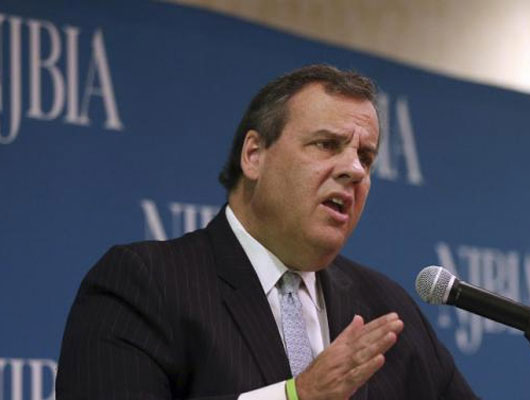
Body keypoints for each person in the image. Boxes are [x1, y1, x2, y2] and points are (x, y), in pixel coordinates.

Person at [56, 64, 478, 399]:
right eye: (327, 144)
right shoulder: (145, 284)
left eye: (365, 157)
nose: (354, 170)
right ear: (254, 155)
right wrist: (296, 397)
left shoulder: (385, 307)